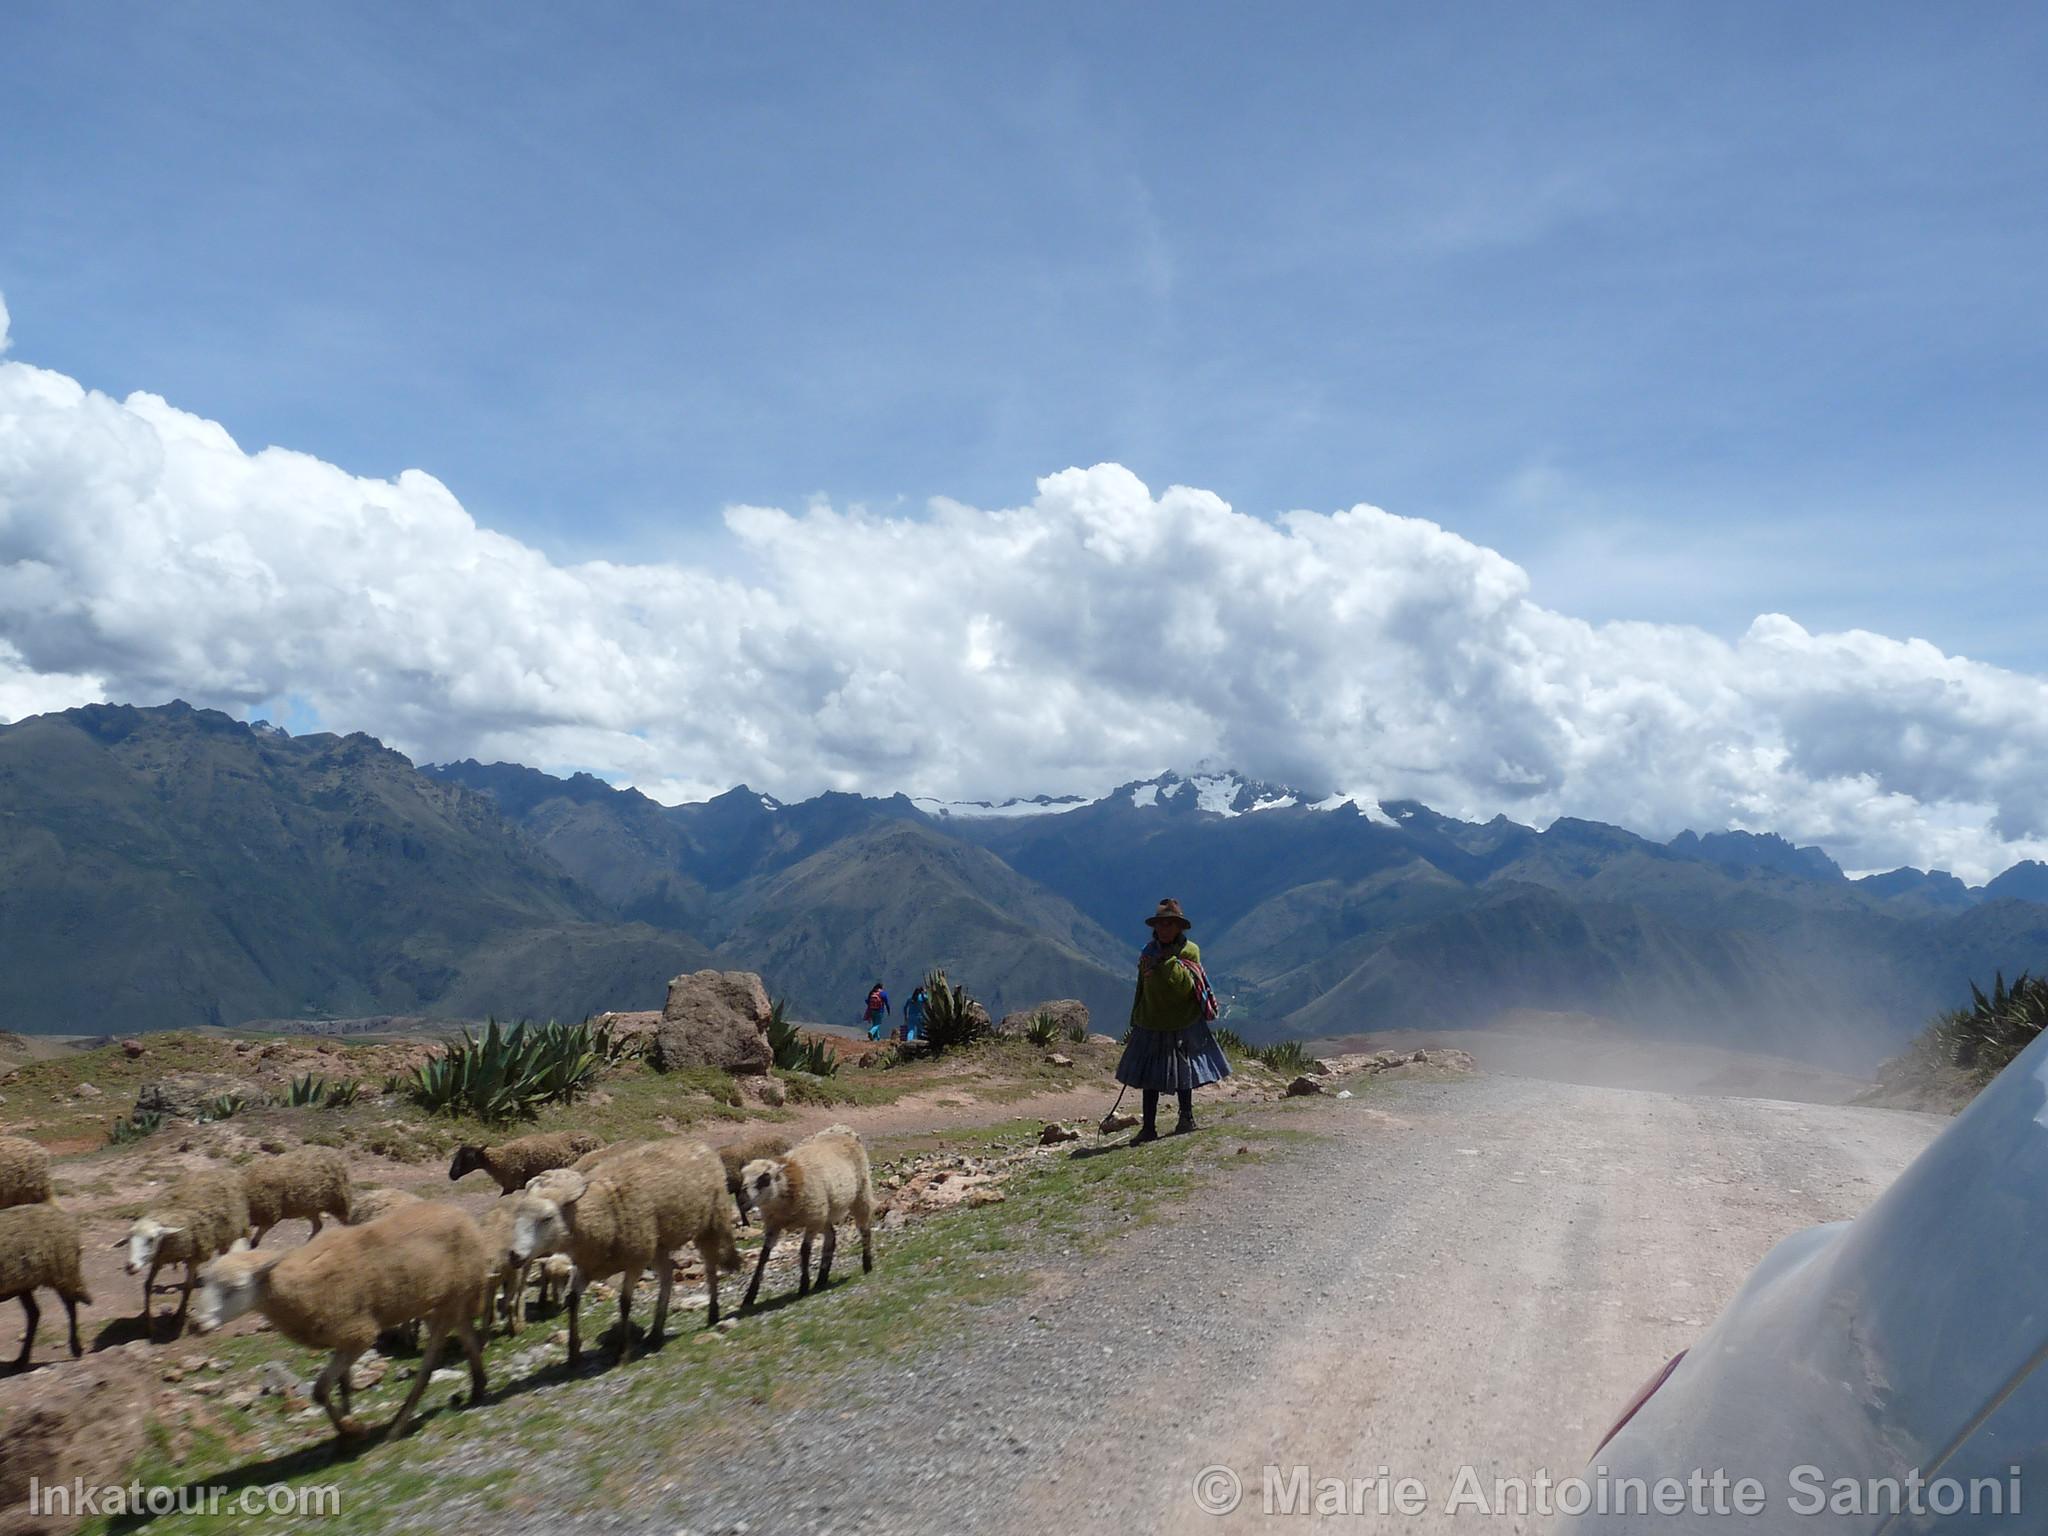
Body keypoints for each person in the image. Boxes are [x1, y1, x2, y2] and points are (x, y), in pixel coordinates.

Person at [1115, 897, 1231, 1142]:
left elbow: (1184, 987)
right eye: (1160, 924)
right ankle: (1148, 1127)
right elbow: (1142, 986)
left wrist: (1166, 963)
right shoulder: (1148, 953)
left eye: (1169, 924)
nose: (1164, 929)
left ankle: (1186, 1117)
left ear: (1179, 927)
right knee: (1150, 1078)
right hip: (1151, 1021)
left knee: (1183, 1072)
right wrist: (1137, 1013)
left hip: (1183, 1021)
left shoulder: (1189, 953)